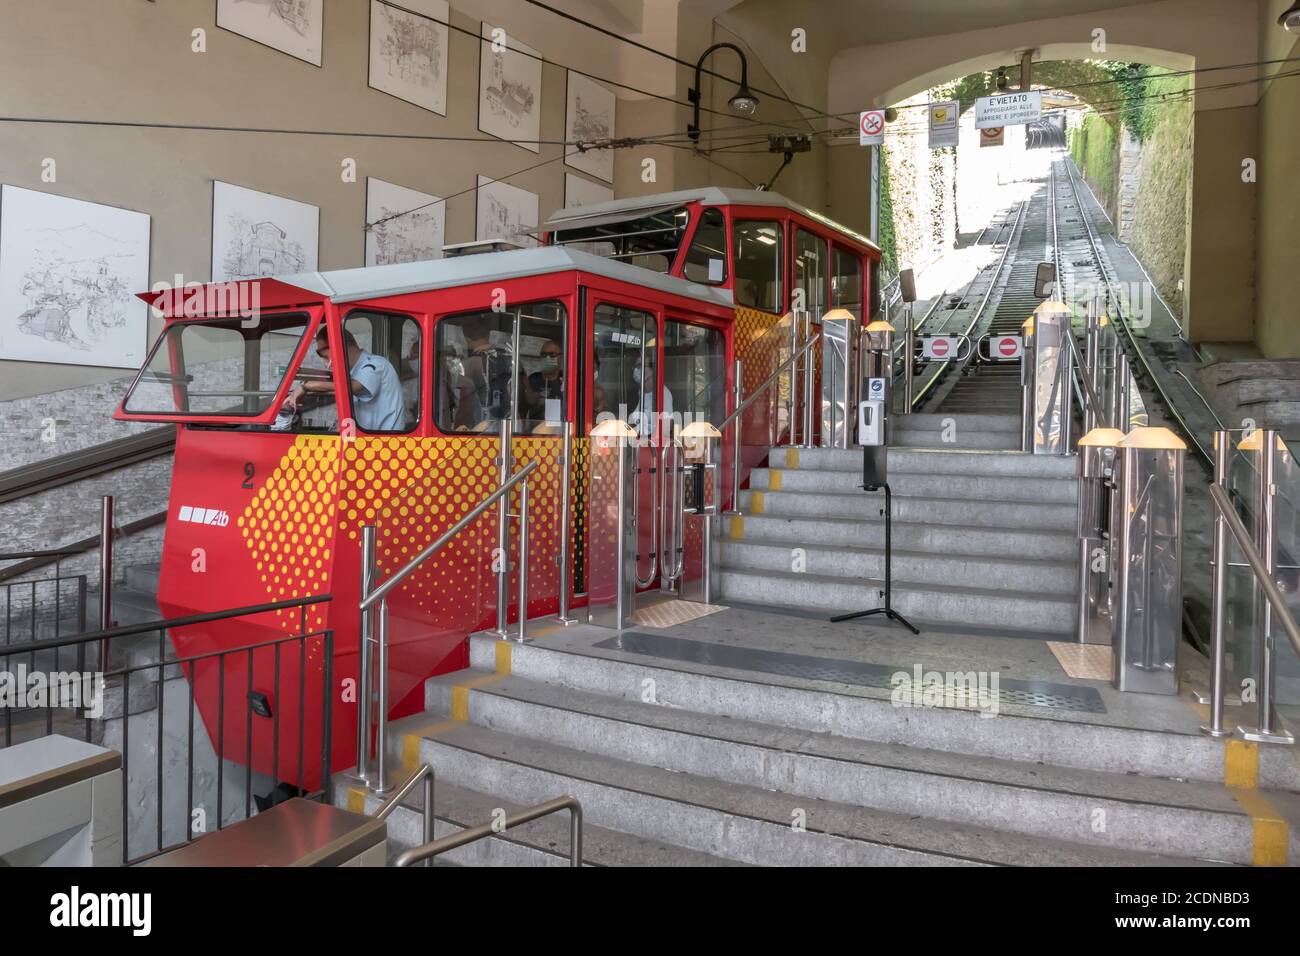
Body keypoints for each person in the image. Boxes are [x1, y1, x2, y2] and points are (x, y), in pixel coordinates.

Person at [291, 327, 404, 432]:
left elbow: (354, 387)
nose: (327, 365)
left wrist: (306, 386)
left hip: (385, 445)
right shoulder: (352, 373)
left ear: (341, 346)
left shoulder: (375, 364)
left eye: (326, 357)